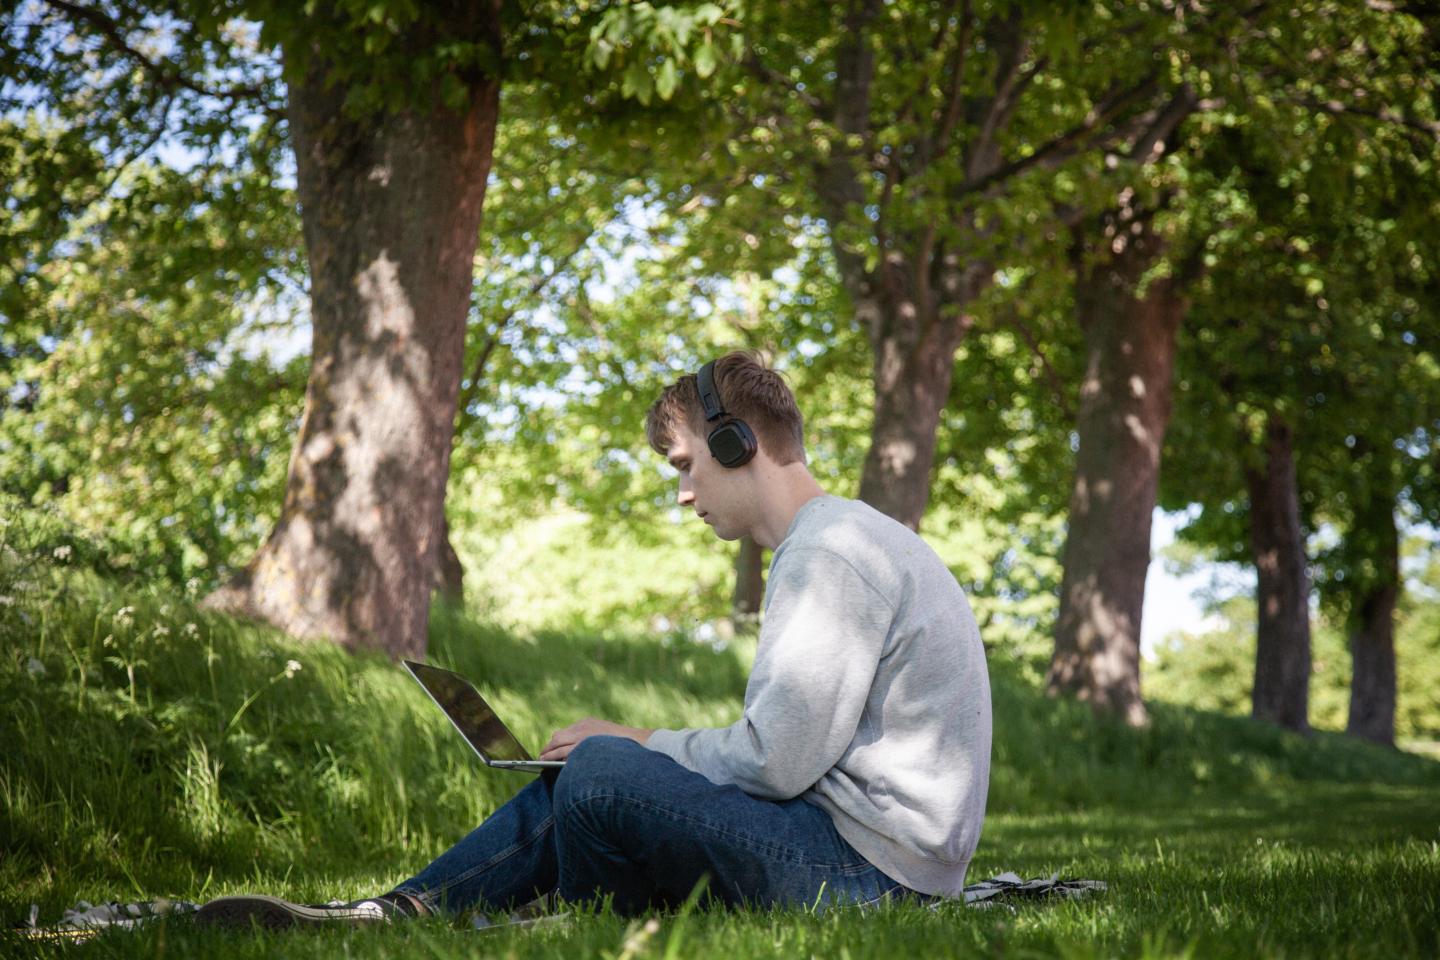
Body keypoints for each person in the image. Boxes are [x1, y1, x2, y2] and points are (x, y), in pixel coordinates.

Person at [196, 351, 991, 928]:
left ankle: (571, 921)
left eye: (685, 465)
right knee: (585, 773)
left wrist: (637, 739)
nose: (683, 494)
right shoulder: (840, 539)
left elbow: (774, 764)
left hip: (868, 877)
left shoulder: (827, 553)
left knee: (604, 772)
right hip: (874, 859)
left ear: (735, 445)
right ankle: (400, 911)